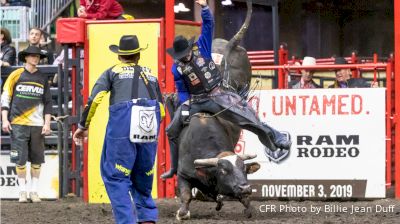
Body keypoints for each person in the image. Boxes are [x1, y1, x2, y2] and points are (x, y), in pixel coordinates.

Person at [160, 0, 292, 179]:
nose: (185, 58)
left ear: (190, 49)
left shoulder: (203, 47)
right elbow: (182, 89)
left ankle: (276, 138)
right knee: (171, 130)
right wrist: (185, 105)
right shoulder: (176, 68)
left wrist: (205, 8)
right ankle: (174, 167)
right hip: (195, 101)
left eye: (186, 54)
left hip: (216, 95)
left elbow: (208, 25)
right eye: (182, 56)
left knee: (246, 116)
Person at [72, 35, 164, 224]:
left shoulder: (112, 72)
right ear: (138, 55)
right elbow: (161, 110)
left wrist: (83, 126)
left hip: (123, 120)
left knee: (116, 175)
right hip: (149, 123)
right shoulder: (151, 75)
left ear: (120, 56)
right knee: (143, 173)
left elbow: (95, 99)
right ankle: (147, 218)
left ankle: (126, 221)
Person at [1, 46, 52, 203]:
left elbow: (48, 102)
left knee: (37, 159)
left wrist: (47, 123)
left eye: (37, 56)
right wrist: (4, 119)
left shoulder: (43, 78)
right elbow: (6, 97)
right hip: (18, 123)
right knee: (19, 159)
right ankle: (22, 191)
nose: (35, 58)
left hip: (38, 124)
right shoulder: (15, 75)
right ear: (26, 58)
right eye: (32, 56)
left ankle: (34, 191)